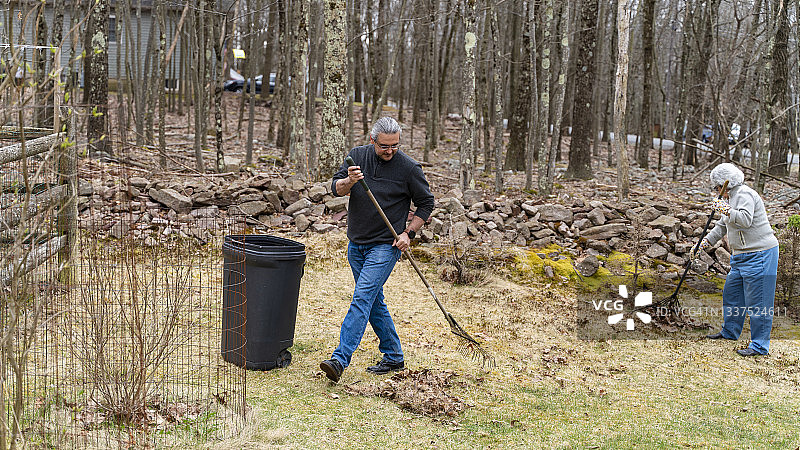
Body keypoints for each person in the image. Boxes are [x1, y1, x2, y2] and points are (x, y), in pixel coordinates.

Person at [320, 117, 435, 382]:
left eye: (395, 145)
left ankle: (339, 359)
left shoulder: (408, 168)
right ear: (373, 140)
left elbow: (426, 203)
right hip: (356, 243)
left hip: (385, 246)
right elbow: (336, 189)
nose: (390, 151)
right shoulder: (357, 157)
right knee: (372, 301)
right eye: (384, 146)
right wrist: (350, 181)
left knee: (362, 298)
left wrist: (409, 233)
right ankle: (393, 355)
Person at [696, 163, 779, 356]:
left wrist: (726, 209)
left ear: (724, 184)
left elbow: (745, 220)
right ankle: (730, 332)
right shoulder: (731, 198)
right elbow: (722, 226)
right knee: (732, 295)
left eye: (717, 187)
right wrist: (703, 243)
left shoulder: (744, 194)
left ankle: (759, 346)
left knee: (759, 302)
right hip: (740, 256)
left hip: (760, 254)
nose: (716, 191)